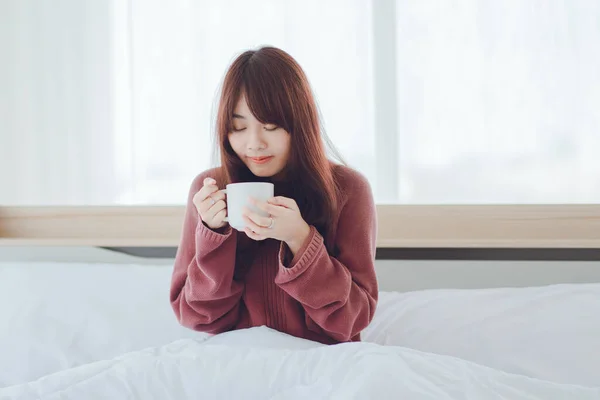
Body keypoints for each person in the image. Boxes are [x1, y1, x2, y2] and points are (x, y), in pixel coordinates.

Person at [169, 46, 378, 344]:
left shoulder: (348, 189)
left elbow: (352, 319)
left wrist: (301, 240)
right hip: (236, 366)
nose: (254, 143)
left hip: (323, 369)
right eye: (238, 127)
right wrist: (213, 236)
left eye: (271, 125)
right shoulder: (210, 188)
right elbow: (197, 316)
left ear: (300, 123)